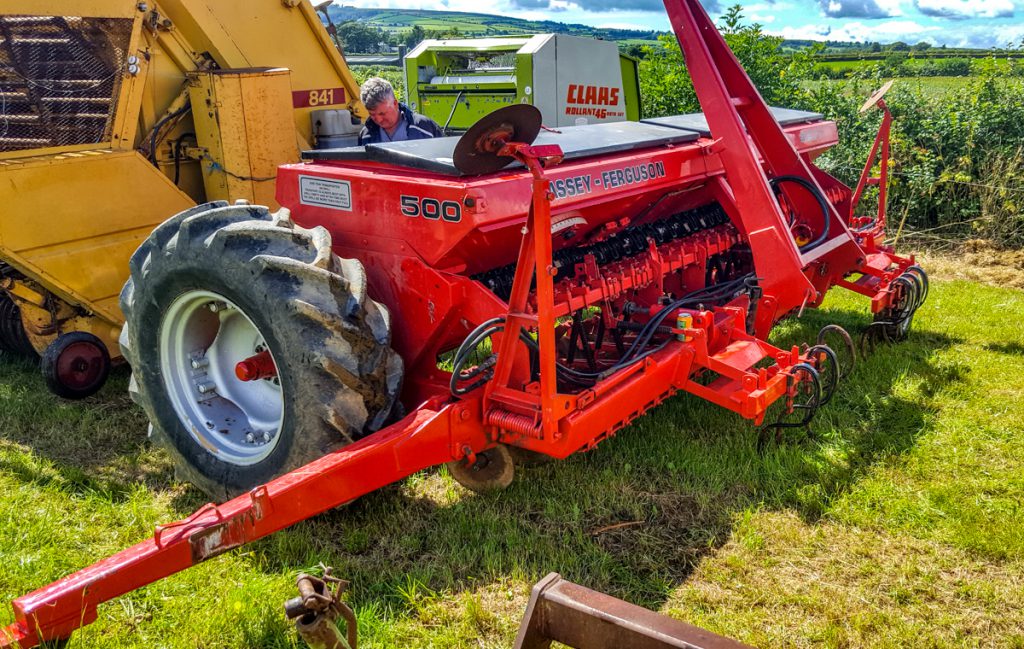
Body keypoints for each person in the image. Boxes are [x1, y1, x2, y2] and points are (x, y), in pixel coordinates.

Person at [358, 77, 443, 145]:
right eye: (372, 114)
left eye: (382, 113)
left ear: (395, 103)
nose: (379, 120)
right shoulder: (365, 136)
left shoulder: (425, 129)